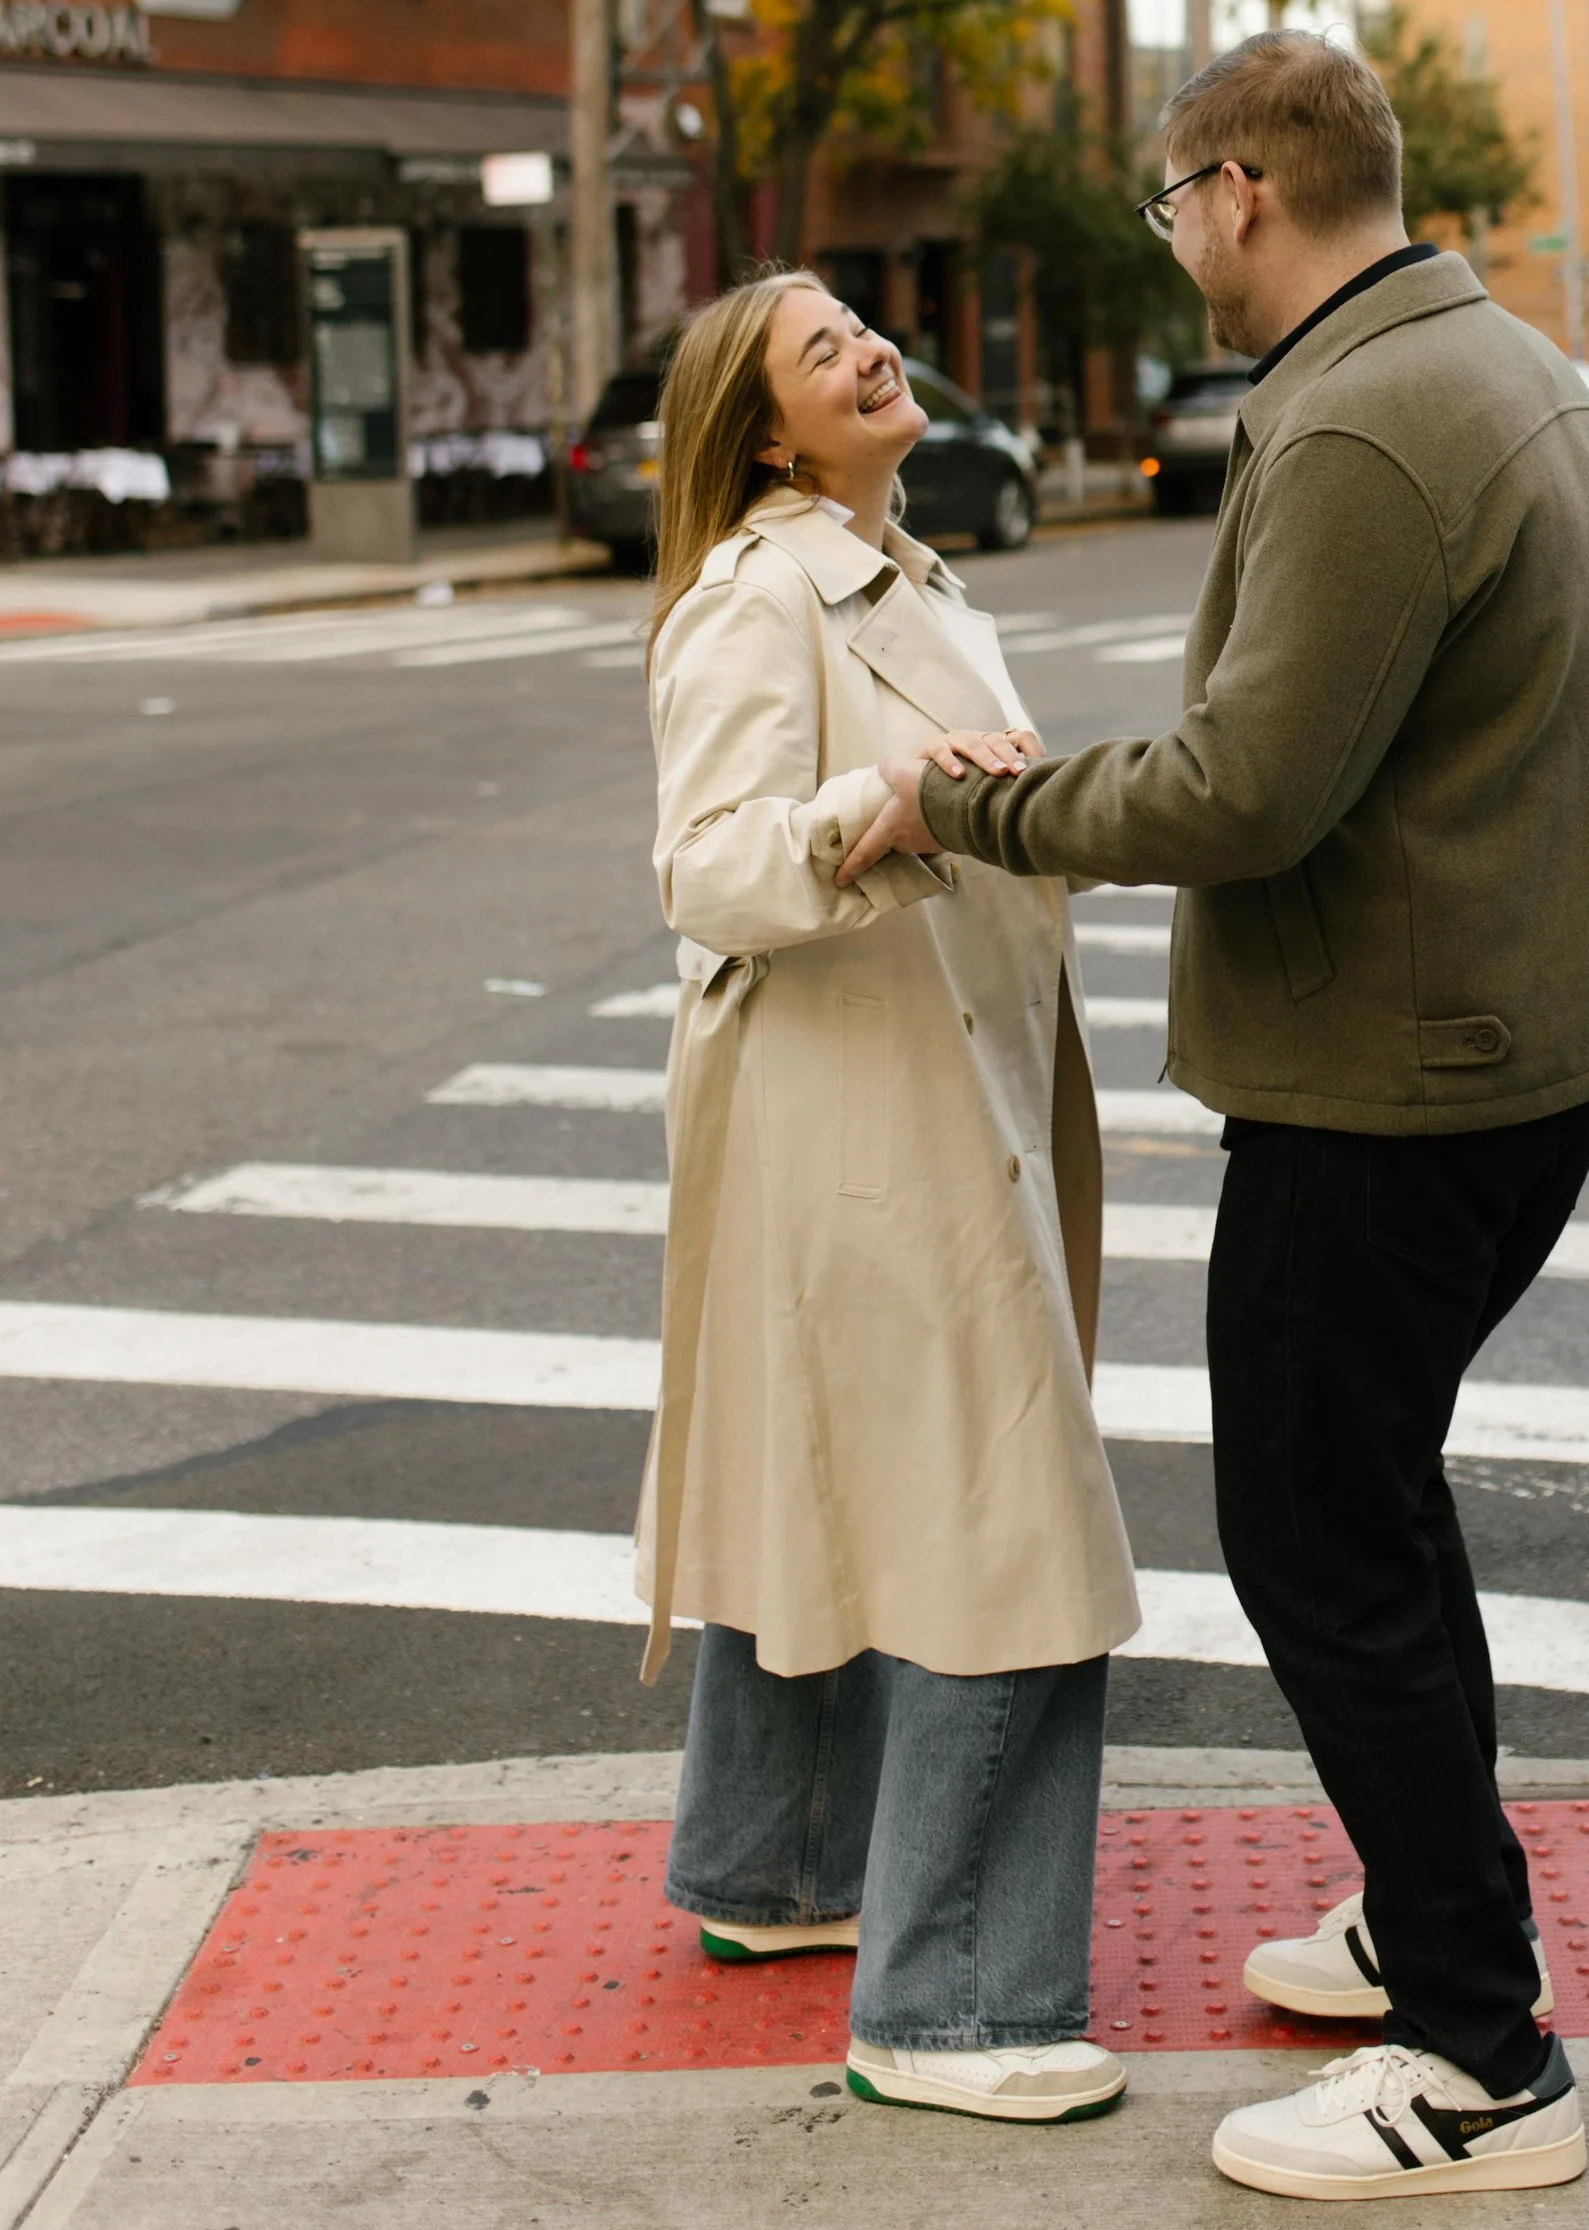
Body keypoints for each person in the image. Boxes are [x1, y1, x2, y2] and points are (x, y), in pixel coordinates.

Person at [839, 29, 1589, 2203]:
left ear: (1237, 190)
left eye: (1169, 208)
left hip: (1406, 1077)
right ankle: (1431, 1921)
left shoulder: (1363, 422)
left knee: (1320, 1542)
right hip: (1517, 1042)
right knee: (1377, 1510)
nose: (1175, 248)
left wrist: (969, 801)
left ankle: (1481, 2063)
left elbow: (1241, 792)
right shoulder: (1503, 362)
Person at [636, 270, 1139, 2127]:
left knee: (835, 1466)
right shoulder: (756, 599)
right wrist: (892, 804)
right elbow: (706, 870)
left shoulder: (905, 573)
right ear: (767, 431)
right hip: (860, 1100)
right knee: (999, 1512)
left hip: (928, 1070)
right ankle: (960, 2008)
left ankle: (773, 1869)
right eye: (823, 347)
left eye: (864, 325)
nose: (869, 350)